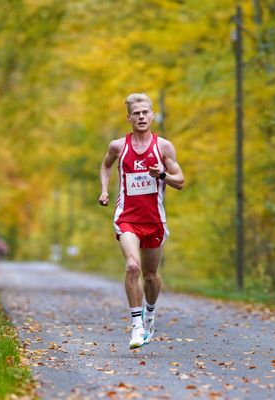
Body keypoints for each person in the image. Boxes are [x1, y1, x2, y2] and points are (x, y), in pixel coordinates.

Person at [98, 93, 184, 349]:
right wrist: (104, 190)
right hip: (127, 219)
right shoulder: (118, 146)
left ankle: (150, 312)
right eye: (136, 113)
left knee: (150, 276)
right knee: (132, 267)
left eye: (145, 112)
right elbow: (105, 166)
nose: (141, 117)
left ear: (152, 115)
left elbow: (180, 181)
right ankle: (136, 327)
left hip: (154, 220)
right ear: (129, 118)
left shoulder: (164, 147)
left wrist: (163, 175)